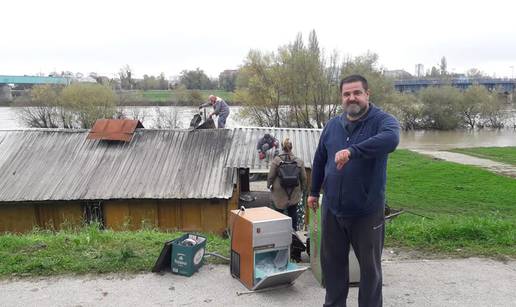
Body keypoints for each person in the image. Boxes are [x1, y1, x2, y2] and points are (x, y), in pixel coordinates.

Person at [307, 75, 400, 307]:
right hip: (332, 210)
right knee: (334, 266)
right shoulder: (332, 125)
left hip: (366, 212)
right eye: (347, 94)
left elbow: (392, 139)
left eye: (357, 93)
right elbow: (320, 159)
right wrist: (312, 191)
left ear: (367, 94)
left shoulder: (382, 121)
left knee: (369, 270)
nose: (352, 98)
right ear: (341, 98)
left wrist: (353, 151)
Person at [267, 138, 307, 231]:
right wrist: (303, 188)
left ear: (282, 147)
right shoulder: (299, 161)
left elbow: (271, 176)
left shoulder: (276, 161)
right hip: (294, 192)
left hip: (279, 192)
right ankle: (294, 233)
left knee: (279, 213)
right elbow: (304, 178)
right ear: (291, 147)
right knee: (293, 212)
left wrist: (268, 185)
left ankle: (279, 232)